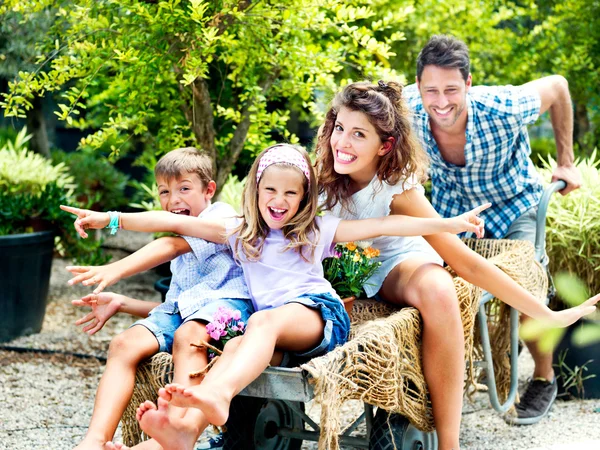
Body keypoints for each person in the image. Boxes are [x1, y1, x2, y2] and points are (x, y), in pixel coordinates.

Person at [61, 143, 493, 450]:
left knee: (260, 324)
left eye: (291, 192)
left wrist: (450, 224)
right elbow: (168, 224)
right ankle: (179, 433)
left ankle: (216, 397)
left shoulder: (316, 230)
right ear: (255, 191)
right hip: (269, 324)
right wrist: (110, 219)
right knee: (235, 342)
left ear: (305, 196)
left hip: (316, 316)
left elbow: (386, 227)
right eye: (270, 190)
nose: (279, 200)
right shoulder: (239, 232)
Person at [314, 80, 597, 450]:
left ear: (384, 146)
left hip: (397, 262)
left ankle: (450, 444)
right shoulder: (318, 177)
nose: (343, 143)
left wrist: (549, 314)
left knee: (439, 290)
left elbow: (466, 262)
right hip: (343, 268)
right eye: (340, 129)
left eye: (358, 135)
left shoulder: (398, 191)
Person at [402, 34, 583, 426]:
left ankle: (543, 377)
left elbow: (558, 87)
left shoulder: (503, 106)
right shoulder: (407, 108)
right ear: (418, 86)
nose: (441, 101)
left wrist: (565, 162)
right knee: (430, 284)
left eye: (452, 89)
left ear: (468, 83)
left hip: (515, 204)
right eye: (431, 90)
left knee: (523, 282)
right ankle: (443, 377)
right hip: (455, 212)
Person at [70, 147, 253, 450]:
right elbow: (177, 308)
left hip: (225, 308)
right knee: (123, 344)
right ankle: (93, 441)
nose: (174, 200)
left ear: (209, 190)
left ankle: (174, 433)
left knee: (188, 335)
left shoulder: (221, 216)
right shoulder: (183, 253)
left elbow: (169, 244)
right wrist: (122, 302)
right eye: (165, 191)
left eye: (184, 188)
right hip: (189, 314)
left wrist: (114, 261)